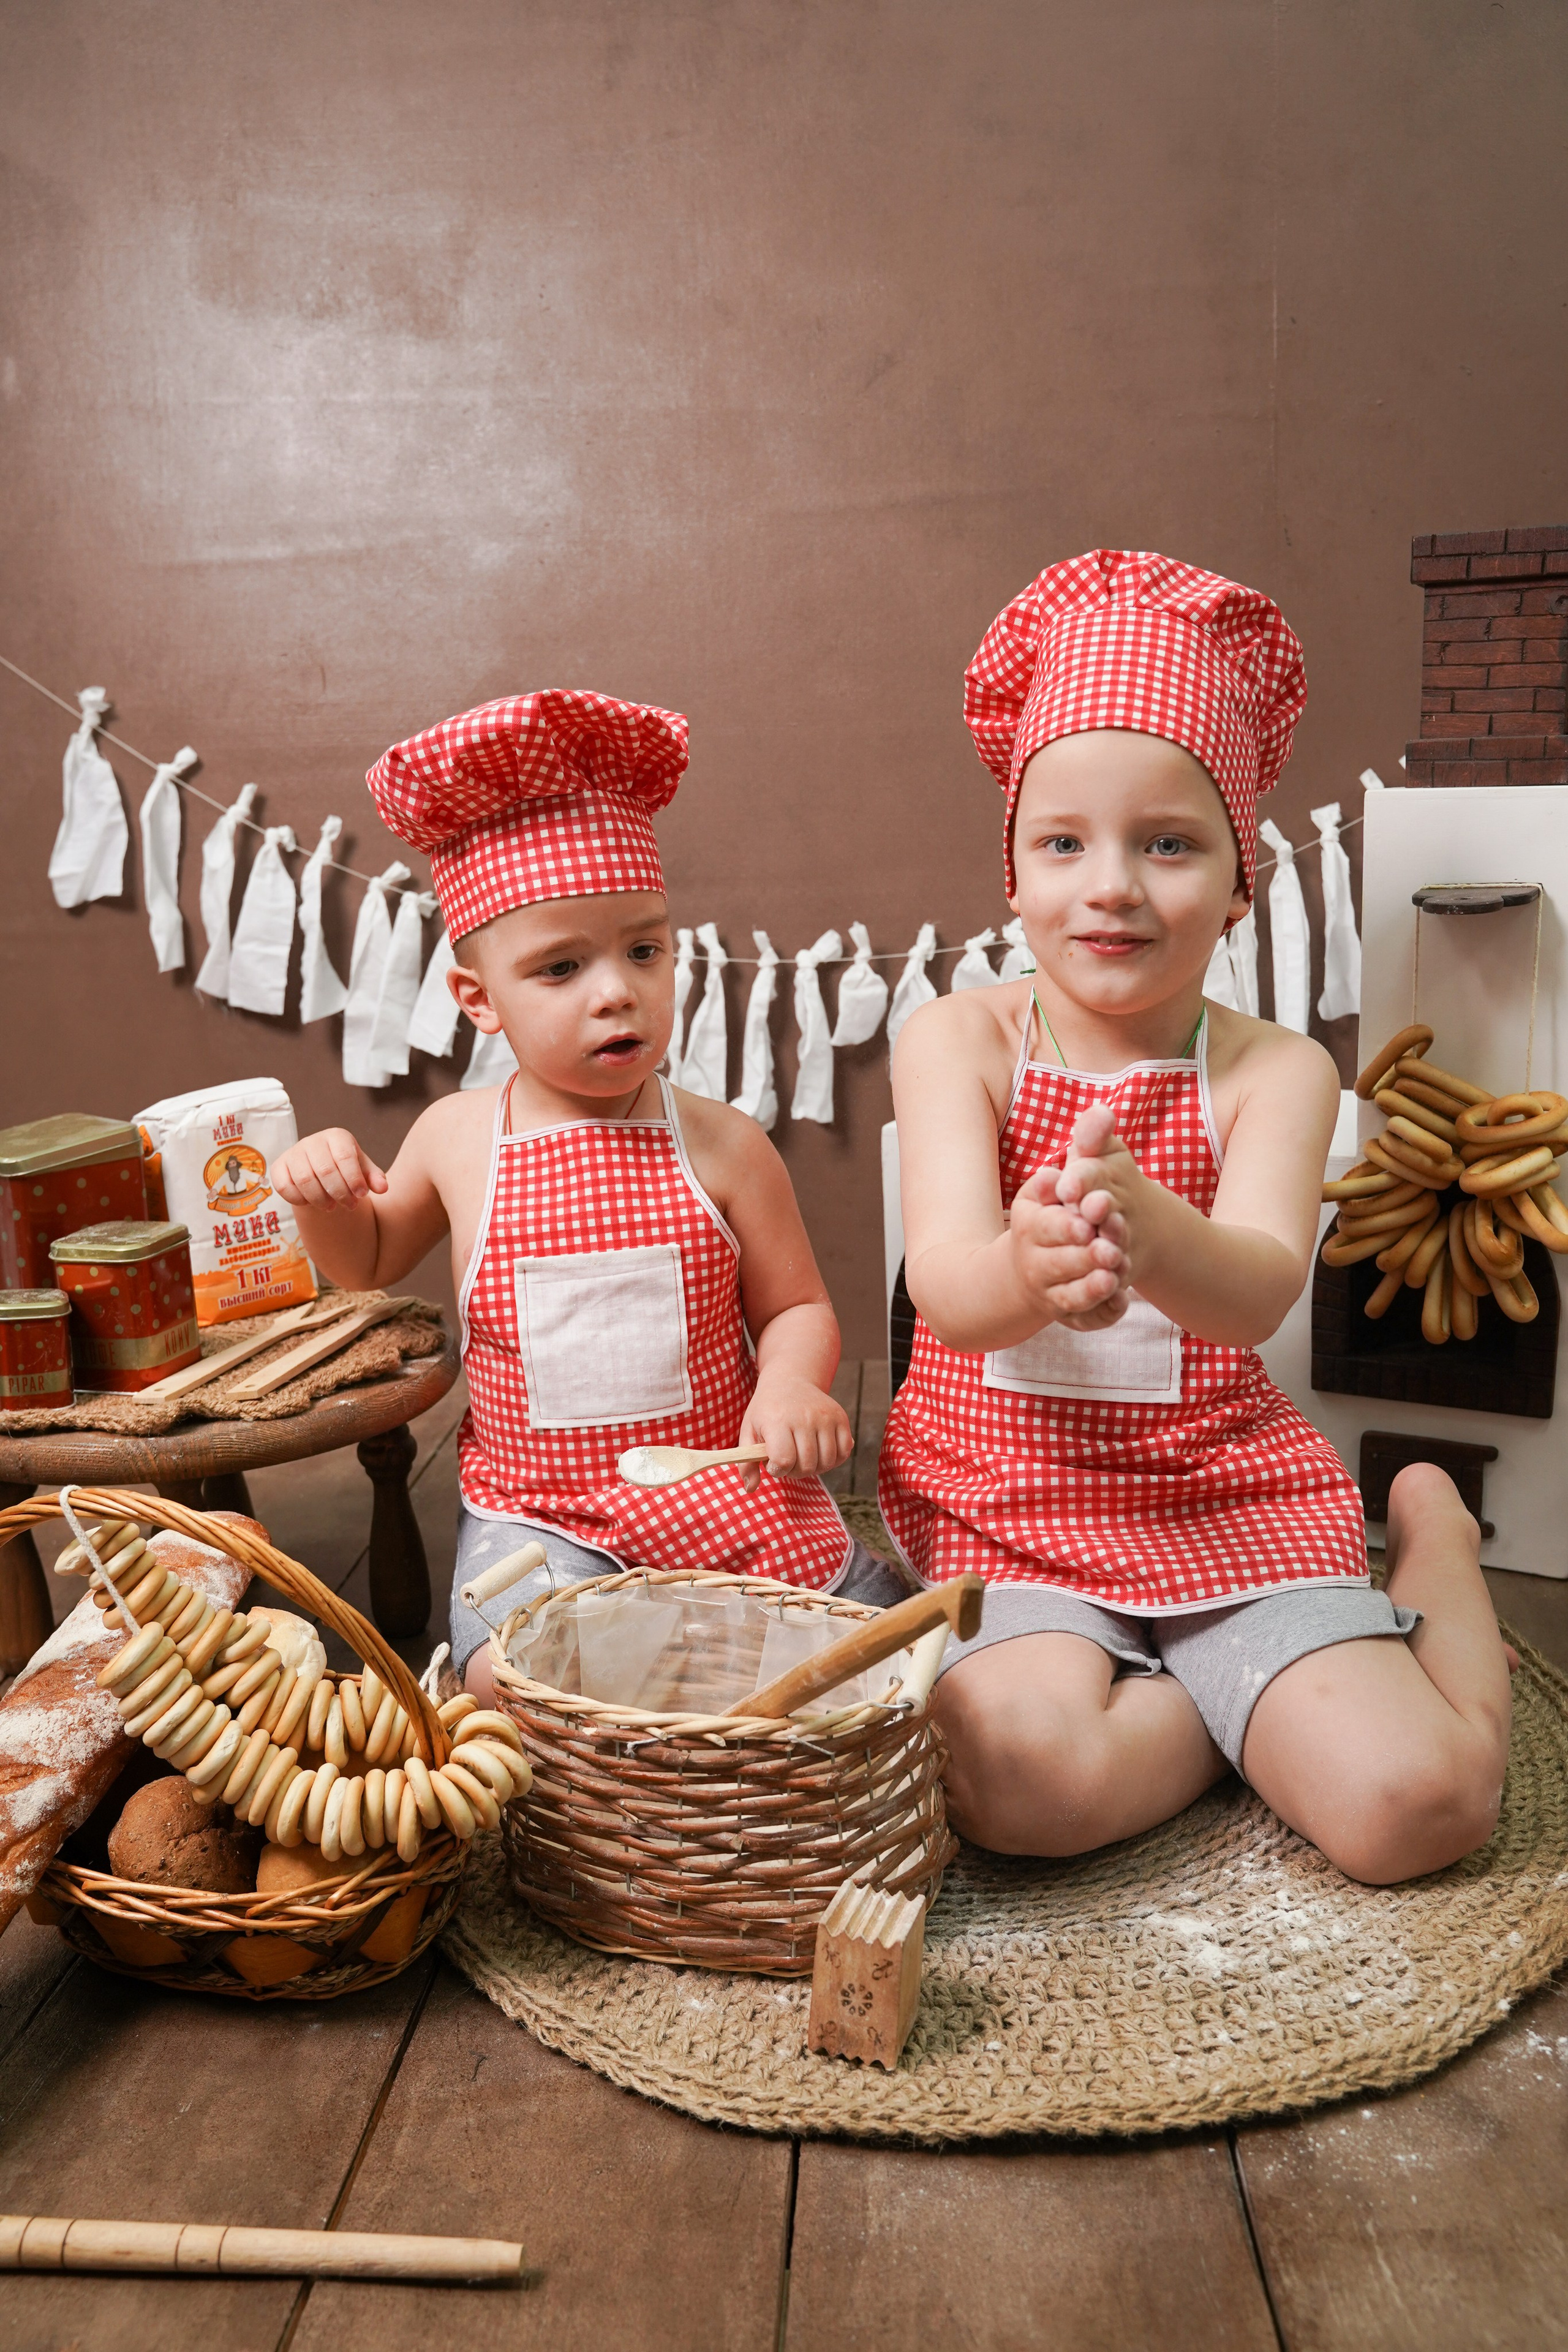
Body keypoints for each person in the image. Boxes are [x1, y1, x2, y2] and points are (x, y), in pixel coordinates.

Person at [880, 551, 1512, 1885]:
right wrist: (1025, 1263)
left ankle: (1428, 1530)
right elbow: (943, 1284)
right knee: (1008, 1785)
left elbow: (1255, 1292)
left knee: (1419, 1809)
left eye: (1166, 843)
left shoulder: (1273, 1068)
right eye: (1062, 843)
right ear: (1011, 873)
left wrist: (1149, 1234)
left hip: (1220, 1497)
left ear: (1237, 884)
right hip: (1012, 1505)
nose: (1108, 886)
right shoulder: (956, 1039)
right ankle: (1241, 1715)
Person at [273, 690, 864, 1698]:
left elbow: (797, 1305)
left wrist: (791, 1385)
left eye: (645, 949)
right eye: (561, 967)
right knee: (513, 1676)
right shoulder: (461, 1136)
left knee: (842, 1651)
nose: (616, 990)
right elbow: (367, 1261)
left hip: (717, 1490)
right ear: (480, 1000)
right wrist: (323, 1191)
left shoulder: (722, 1143)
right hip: (541, 1517)